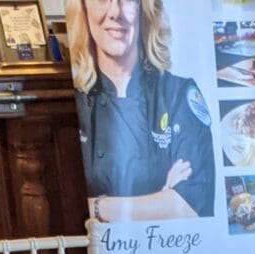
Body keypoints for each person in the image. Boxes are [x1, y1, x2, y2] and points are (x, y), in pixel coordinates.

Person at [66, 0, 215, 223]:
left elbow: (192, 205)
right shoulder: (75, 102)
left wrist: (98, 206)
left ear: (144, 10)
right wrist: (161, 199)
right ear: (83, 9)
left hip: (169, 251)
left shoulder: (177, 94)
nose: (115, 12)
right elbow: (69, 207)